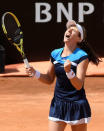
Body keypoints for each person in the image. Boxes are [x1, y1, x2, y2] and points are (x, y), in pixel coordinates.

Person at [26, 20, 100, 131]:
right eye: (68, 28)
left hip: (77, 105)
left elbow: (79, 85)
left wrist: (69, 72)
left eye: (74, 29)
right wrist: (35, 73)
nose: (69, 29)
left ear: (79, 39)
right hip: (58, 104)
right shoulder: (55, 54)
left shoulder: (82, 56)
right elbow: (49, 79)